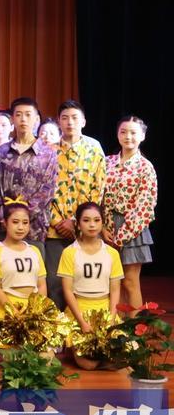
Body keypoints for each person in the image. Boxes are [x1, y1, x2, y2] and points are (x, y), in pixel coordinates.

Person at [0, 98, 58, 298]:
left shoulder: (48, 153)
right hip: (5, 226)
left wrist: (23, 218)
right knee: (5, 277)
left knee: (35, 279)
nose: (23, 119)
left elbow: (47, 190)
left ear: (36, 119)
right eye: (19, 115)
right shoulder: (2, 151)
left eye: (28, 115)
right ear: (12, 119)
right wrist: (3, 216)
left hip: (34, 227)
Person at [47, 100, 106, 291]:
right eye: (65, 118)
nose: (70, 122)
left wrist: (75, 220)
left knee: (84, 282)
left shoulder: (94, 148)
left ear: (83, 121)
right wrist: (57, 221)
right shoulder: (49, 151)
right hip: (55, 230)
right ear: (58, 121)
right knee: (55, 282)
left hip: (85, 227)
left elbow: (98, 187)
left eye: (74, 117)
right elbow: (43, 191)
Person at [104, 116, 156, 308]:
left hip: (132, 229)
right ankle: (113, 323)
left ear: (142, 136)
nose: (128, 136)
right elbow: (98, 195)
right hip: (105, 227)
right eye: (123, 132)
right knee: (110, 282)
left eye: (133, 132)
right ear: (118, 135)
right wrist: (103, 227)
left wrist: (121, 236)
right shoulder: (107, 162)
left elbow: (145, 206)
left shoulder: (145, 167)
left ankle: (134, 326)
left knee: (129, 282)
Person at [57, 202, 123, 337]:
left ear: (102, 223)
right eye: (86, 220)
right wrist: (82, 322)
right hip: (78, 311)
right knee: (78, 351)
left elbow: (115, 290)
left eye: (97, 220)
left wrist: (110, 320)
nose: (92, 225)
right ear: (78, 224)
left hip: (105, 311)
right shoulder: (69, 252)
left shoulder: (112, 253)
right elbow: (67, 291)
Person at [0, 200, 46, 331]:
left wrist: (35, 311)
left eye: (25, 222)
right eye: (15, 222)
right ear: (5, 223)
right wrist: (14, 313)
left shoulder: (35, 251)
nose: (20, 227)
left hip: (32, 312)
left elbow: (41, 285)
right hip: (6, 311)